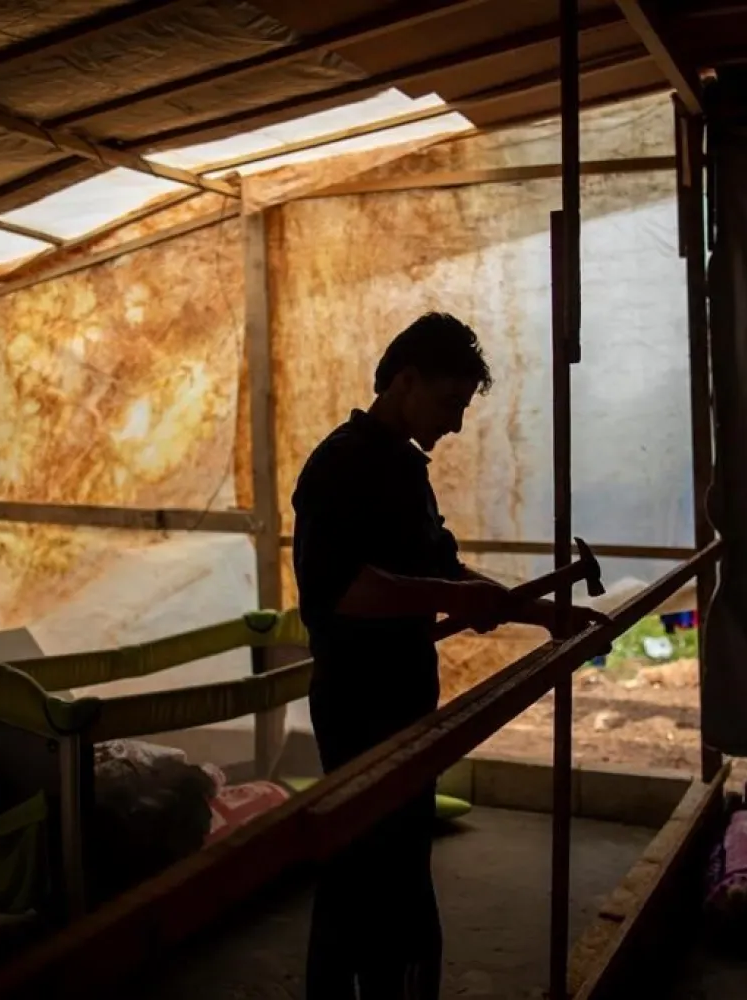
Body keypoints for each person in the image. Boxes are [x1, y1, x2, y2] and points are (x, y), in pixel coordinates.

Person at [293, 312, 608, 999]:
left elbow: (446, 574)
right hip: (358, 701)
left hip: (405, 692)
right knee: (360, 866)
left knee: (400, 860)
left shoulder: (405, 470)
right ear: (405, 381)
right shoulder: (341, 464)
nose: (458, 424)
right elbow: (344, 591)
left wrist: (546, 615)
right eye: (450, 403)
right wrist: (453, 599)